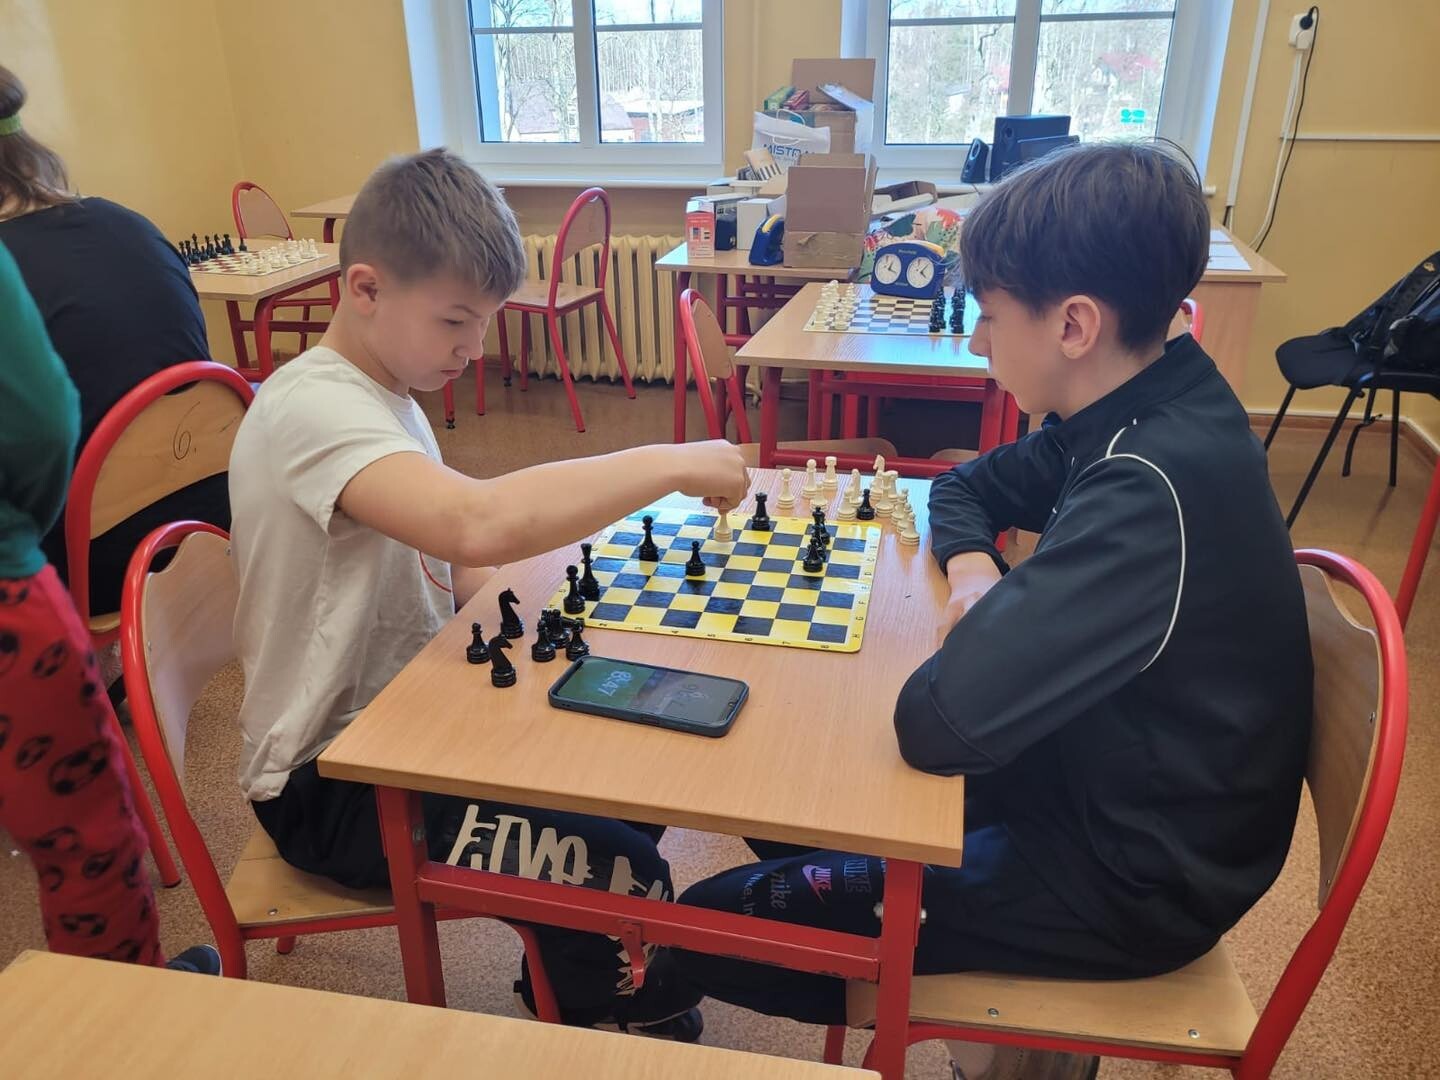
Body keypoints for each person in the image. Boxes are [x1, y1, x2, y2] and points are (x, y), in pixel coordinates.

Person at [675, 143, 1313, 1080]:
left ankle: (644, 987)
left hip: (1131, 877)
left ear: (1074, 325)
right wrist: (975, 576)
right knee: (794, 802)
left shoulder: (1147, 482)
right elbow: (964, 489)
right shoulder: (1142, 402)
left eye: (989, 314)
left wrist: (985, 628)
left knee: (708, 922)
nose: (977, 342)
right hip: (1093, 780)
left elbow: (936, 724)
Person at [227, 148, 749, 1040]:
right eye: (456, 322)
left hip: (420, 723)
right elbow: (474, 525)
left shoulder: (388, 390)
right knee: (626, 867)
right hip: (331, 784)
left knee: (645, 763)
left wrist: (605, 609)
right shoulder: (310, 409)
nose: (475, 350)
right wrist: (669, 462)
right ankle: (592, 1009)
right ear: (364, 288)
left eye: (485, 323)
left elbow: (461, 572)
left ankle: (564, 974)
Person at [0, 239, 219, 976]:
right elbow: (39, 427)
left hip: (104, 542)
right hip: (184, 523)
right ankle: (125, 1003)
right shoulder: (130, 231)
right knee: (86, 843)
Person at [0, 64, 227, 618]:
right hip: (214, 517)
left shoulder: (10, 268)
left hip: (93, 561)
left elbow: (39, 438)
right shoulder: (130, 224)